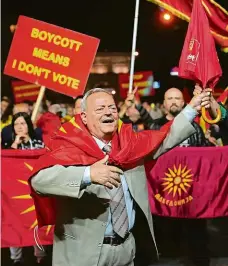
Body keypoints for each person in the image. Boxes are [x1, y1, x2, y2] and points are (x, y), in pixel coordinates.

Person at [30, 88, 210, 266]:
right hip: (82, 253)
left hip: (126, 250)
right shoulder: (69, 144)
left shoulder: (130, 144)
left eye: (112, 108)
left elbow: (165, 137)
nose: (108, 112)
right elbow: (39, 180)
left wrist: (192, 108)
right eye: (100, 109)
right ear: (84, 116)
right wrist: (87, 174)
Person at [149, 88, 212, 266]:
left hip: (191, 190)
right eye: (170, 98)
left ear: (184, 103)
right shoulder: (155, 127)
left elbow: (204, 157)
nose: (174, 101)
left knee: (195, 233)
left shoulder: (195, 127)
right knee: (167, 233)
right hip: (164, 190)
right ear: (164, 104)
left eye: (178, 98)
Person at [1, 112, 46, 265]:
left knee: (36, 222)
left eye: (22, 123)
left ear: (29, 125)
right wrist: (15, 144)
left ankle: (40, 255)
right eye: (16, 124)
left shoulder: (39, 144)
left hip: (34, 191)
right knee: (13, 221)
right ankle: (16, 259)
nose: (19, 127)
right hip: (14, 193)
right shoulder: (7, 147)